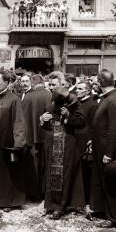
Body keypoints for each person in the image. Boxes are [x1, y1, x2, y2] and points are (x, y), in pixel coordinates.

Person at [0, 71, 27, 212]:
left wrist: (19, 143)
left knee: (6, 174)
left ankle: (9, 202)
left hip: (6, 143)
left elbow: (19, 123)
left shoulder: (14, 100)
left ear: (6, 83)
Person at [40, 84, 86, 220]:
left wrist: (69, 116)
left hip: (67, 143)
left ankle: (60, 207)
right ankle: (50, 204)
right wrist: (42, 120)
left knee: (64, 174)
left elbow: (81, 123)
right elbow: (44, 125)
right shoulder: (50, 106)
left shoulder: (74, 105)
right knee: (51, 173)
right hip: (51, 143)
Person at [90, 70, 116, 228]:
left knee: (111, 182)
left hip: (107, 149)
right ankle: (105, 212)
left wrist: (109, 153)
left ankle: (115, 218)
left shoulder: (113, 100)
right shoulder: (109, 98)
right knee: (104, 181)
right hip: (101, 146)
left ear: (99, 83)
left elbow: (115, 129)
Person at [22, 74, 52, 200]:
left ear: (32, 84)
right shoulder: (49, 95)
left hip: (30, 135)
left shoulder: (27, 97)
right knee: (46, 164)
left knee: (33, 164)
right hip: (46, 134)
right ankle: (45, 192)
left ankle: (33, 193)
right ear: (43, 82)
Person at [75, 80, 98, 204]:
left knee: (85, 169)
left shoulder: (93, 105)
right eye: (76, 89)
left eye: (80, 89)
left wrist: (90, 140)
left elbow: (94, 125)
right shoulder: (76, 103)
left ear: (88, 91)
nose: (76, 91)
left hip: (85, 140)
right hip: (75, 138)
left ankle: (87, 200)